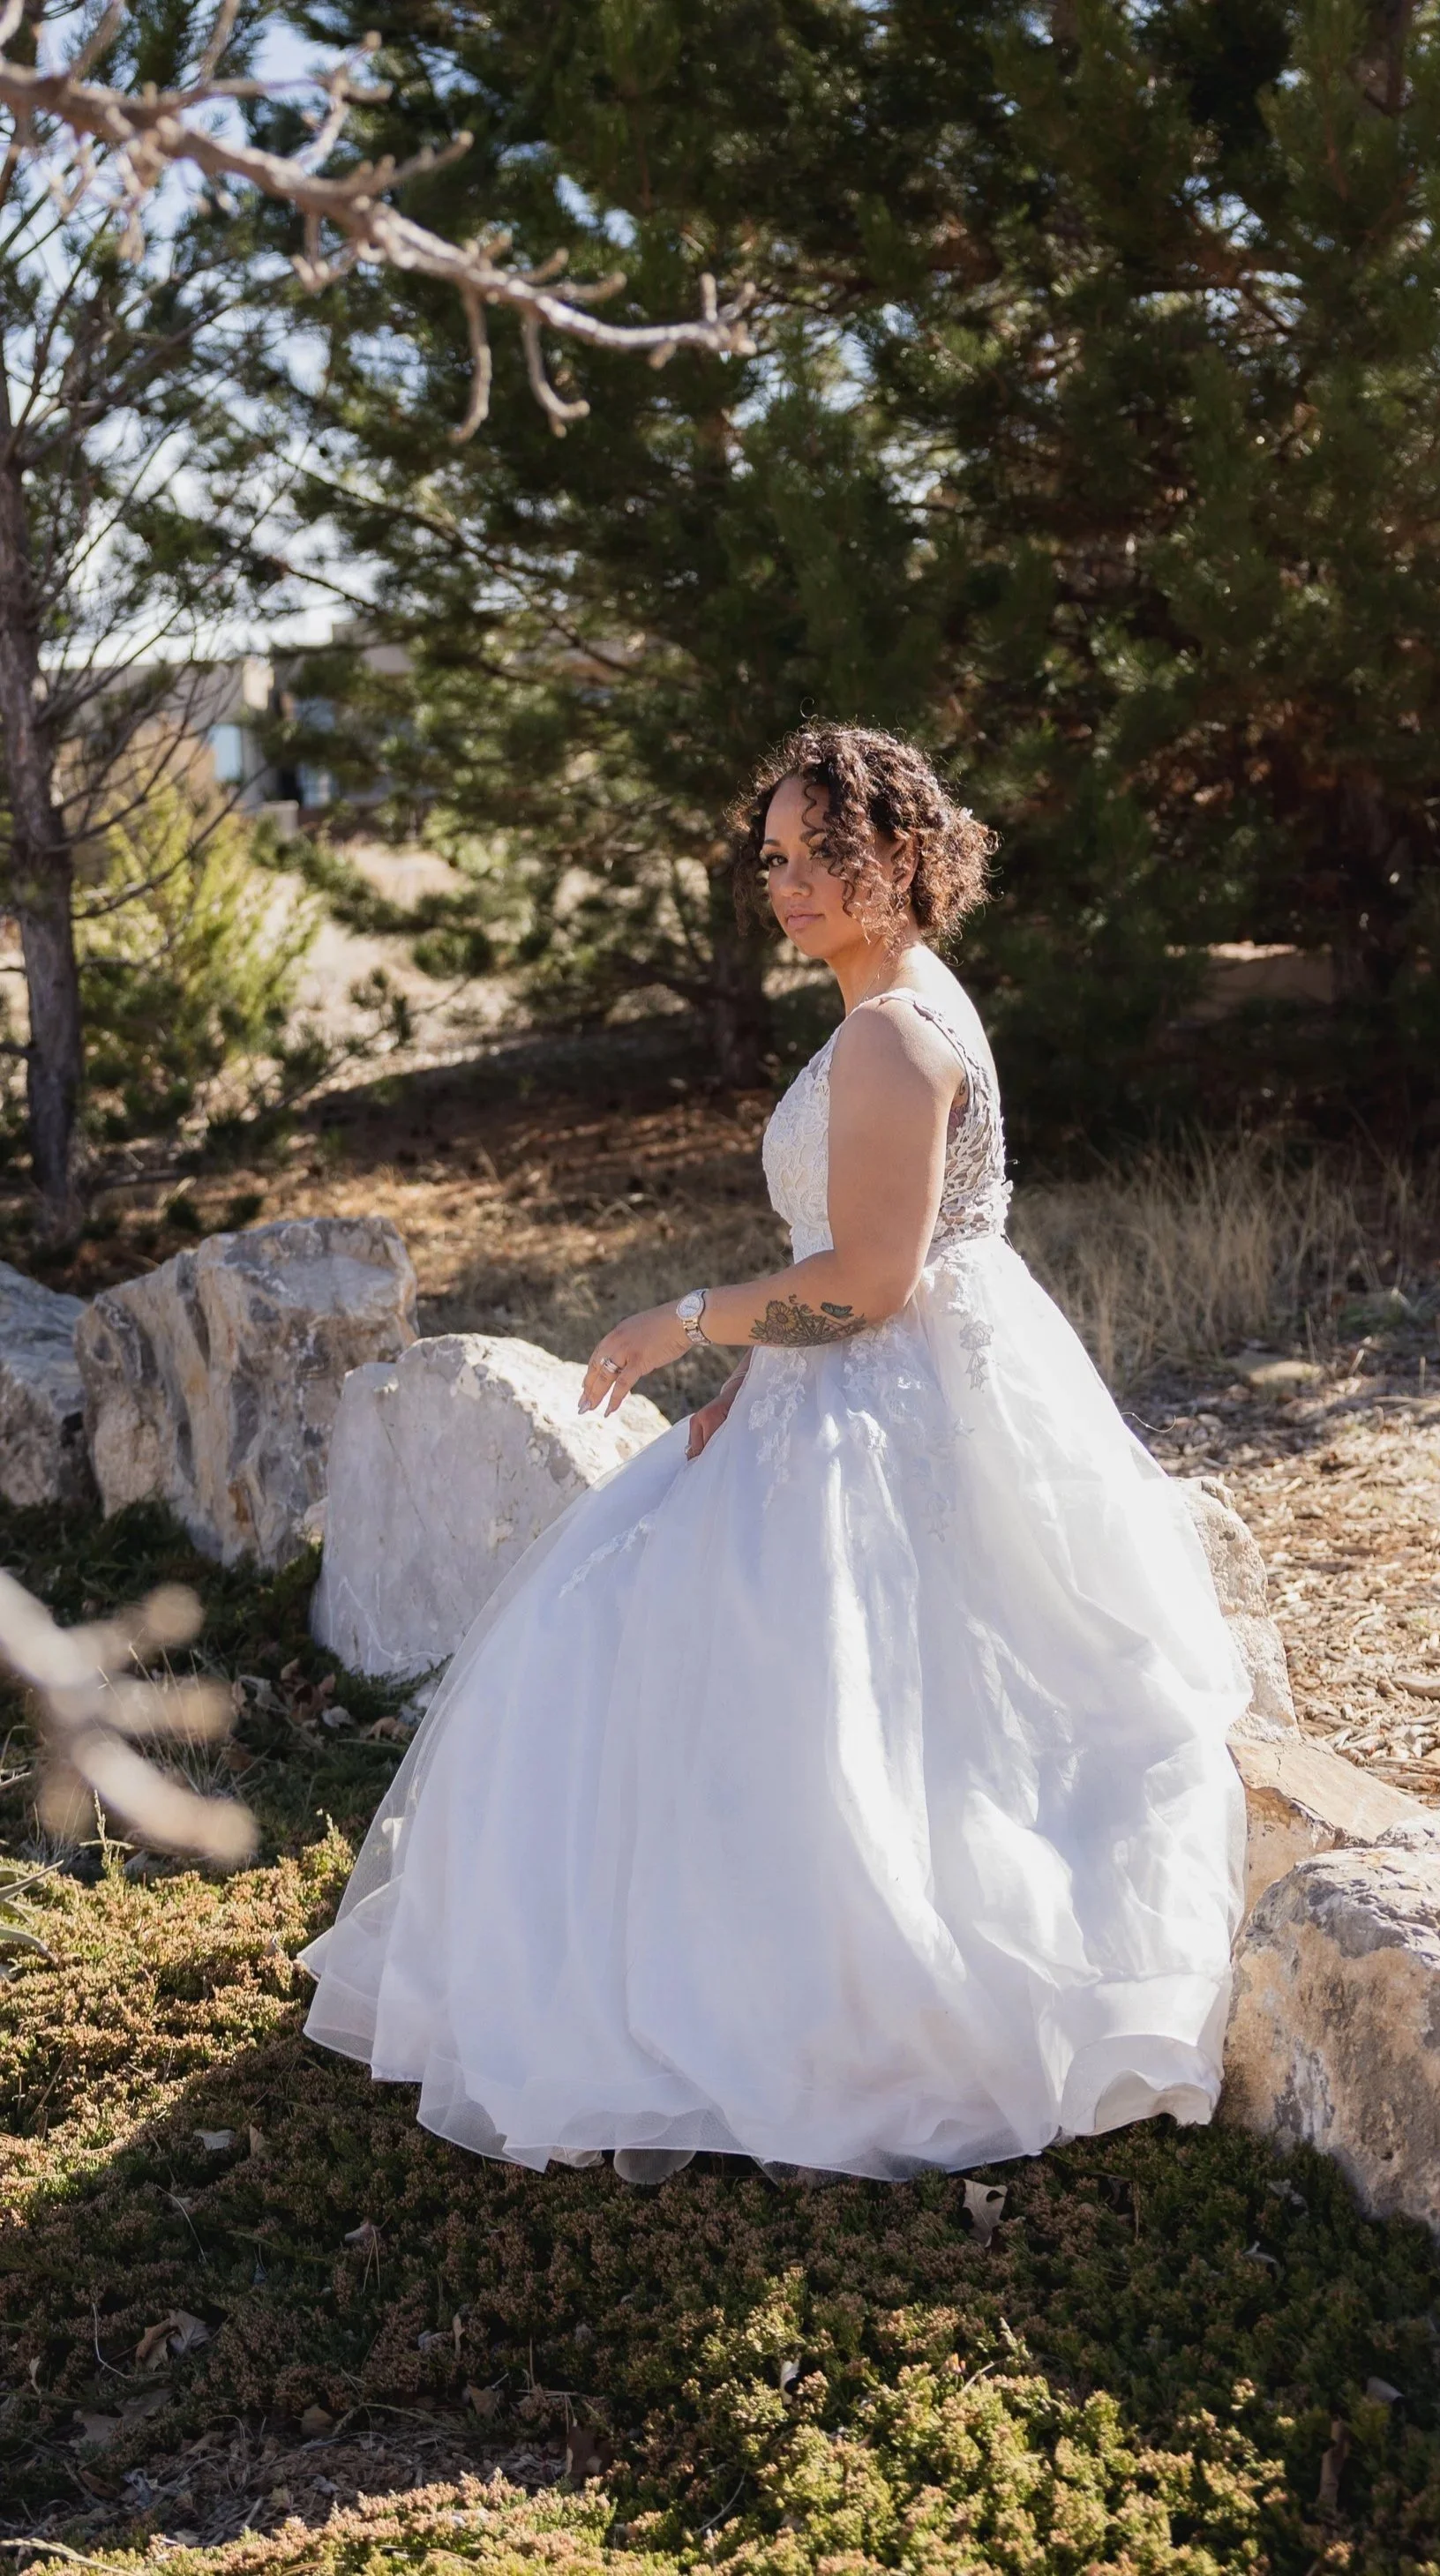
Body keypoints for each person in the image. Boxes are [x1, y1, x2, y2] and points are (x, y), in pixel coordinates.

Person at [300, 724, 1250, 2184]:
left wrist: (683, 1318)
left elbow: (869, 1279)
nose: (791, 882)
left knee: (826, 1685)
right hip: (873, 1374)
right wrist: (748, 1371)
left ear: (909, 857)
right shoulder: (890, 1002)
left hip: (892, 1387)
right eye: (776, 858)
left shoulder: (887, 1031)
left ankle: (814, 2010)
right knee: (693, 1637)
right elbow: (866, 1264)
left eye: (826, 854)